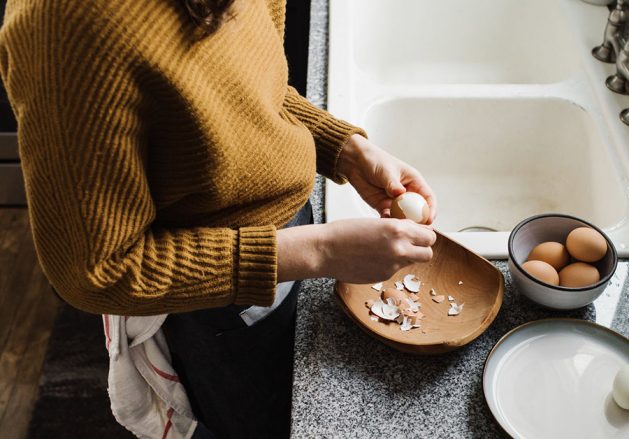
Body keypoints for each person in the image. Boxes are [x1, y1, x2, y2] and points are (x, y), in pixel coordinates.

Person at [0, 0, 437, 437]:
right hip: (216, 297)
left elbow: (249, 89)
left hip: (293, 241)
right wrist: (320, 250)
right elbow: (96, 271)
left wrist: (345, 150)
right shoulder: (67, 24)